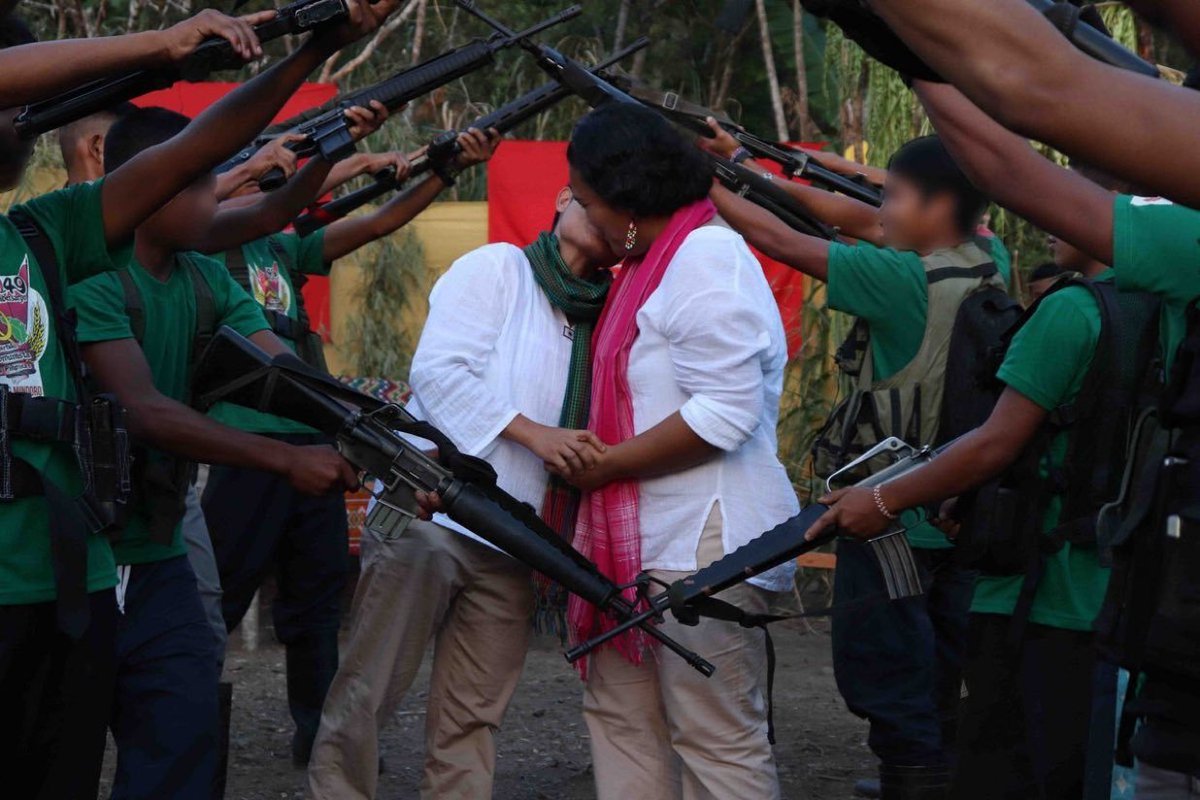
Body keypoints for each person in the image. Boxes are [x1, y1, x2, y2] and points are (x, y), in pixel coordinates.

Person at [805, 78, 1166, 799]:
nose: (1049, 218)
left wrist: (881, 497)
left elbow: (996, 444)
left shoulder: (1065, 314)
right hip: (1108, 571)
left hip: (1021, 576)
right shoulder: (1136, 301)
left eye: (1065, 205)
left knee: (966, 730)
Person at [0, 8, 327, 797]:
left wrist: (318, 44)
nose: (25, 123)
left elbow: (195, 152)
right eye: (16, 99)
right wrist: (157, 45)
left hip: (64, 583)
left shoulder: (40, 236)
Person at [711, 128, 1009, 798]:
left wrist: (705, 184)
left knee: (884, 666)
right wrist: (741, 167)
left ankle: (915, 780)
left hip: (887, 510)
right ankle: (938, 770)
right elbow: (857, 216)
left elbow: (785, 242)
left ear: (936, 206)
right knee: (936, 661)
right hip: (956, 501)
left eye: (897, 199)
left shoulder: (896, 279)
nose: (883, 212)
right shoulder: (991, 258)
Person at [201, 126, 500, 767]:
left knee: (317, 598)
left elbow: (376, 224)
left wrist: (440, 175)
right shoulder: (204, 244)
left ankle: (317, 737)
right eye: (256, 177)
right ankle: (189, 731)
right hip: (243, 444)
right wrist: (350, 160)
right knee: (217, 600)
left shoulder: (279, 249)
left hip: (314, 445)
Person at [307, 184, 615, 800]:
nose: (603, 212)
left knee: (473, 715)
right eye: (591, 196)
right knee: (368, 689)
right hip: (427, 511)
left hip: (520, 539)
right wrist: (538, 437)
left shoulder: (606, 314)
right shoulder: (497, 268)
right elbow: (439, 374)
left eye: (619, 206)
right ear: (560, 198)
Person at [557, 102, 798, 800]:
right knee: (622, 721)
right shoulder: (644, 267)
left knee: (715, 740)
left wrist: (607, 465)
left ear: (628, 198)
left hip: (704, 544)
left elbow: (724, 413)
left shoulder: (705, 257)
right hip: (640, 546)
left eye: (588, 198)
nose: (583, 209)